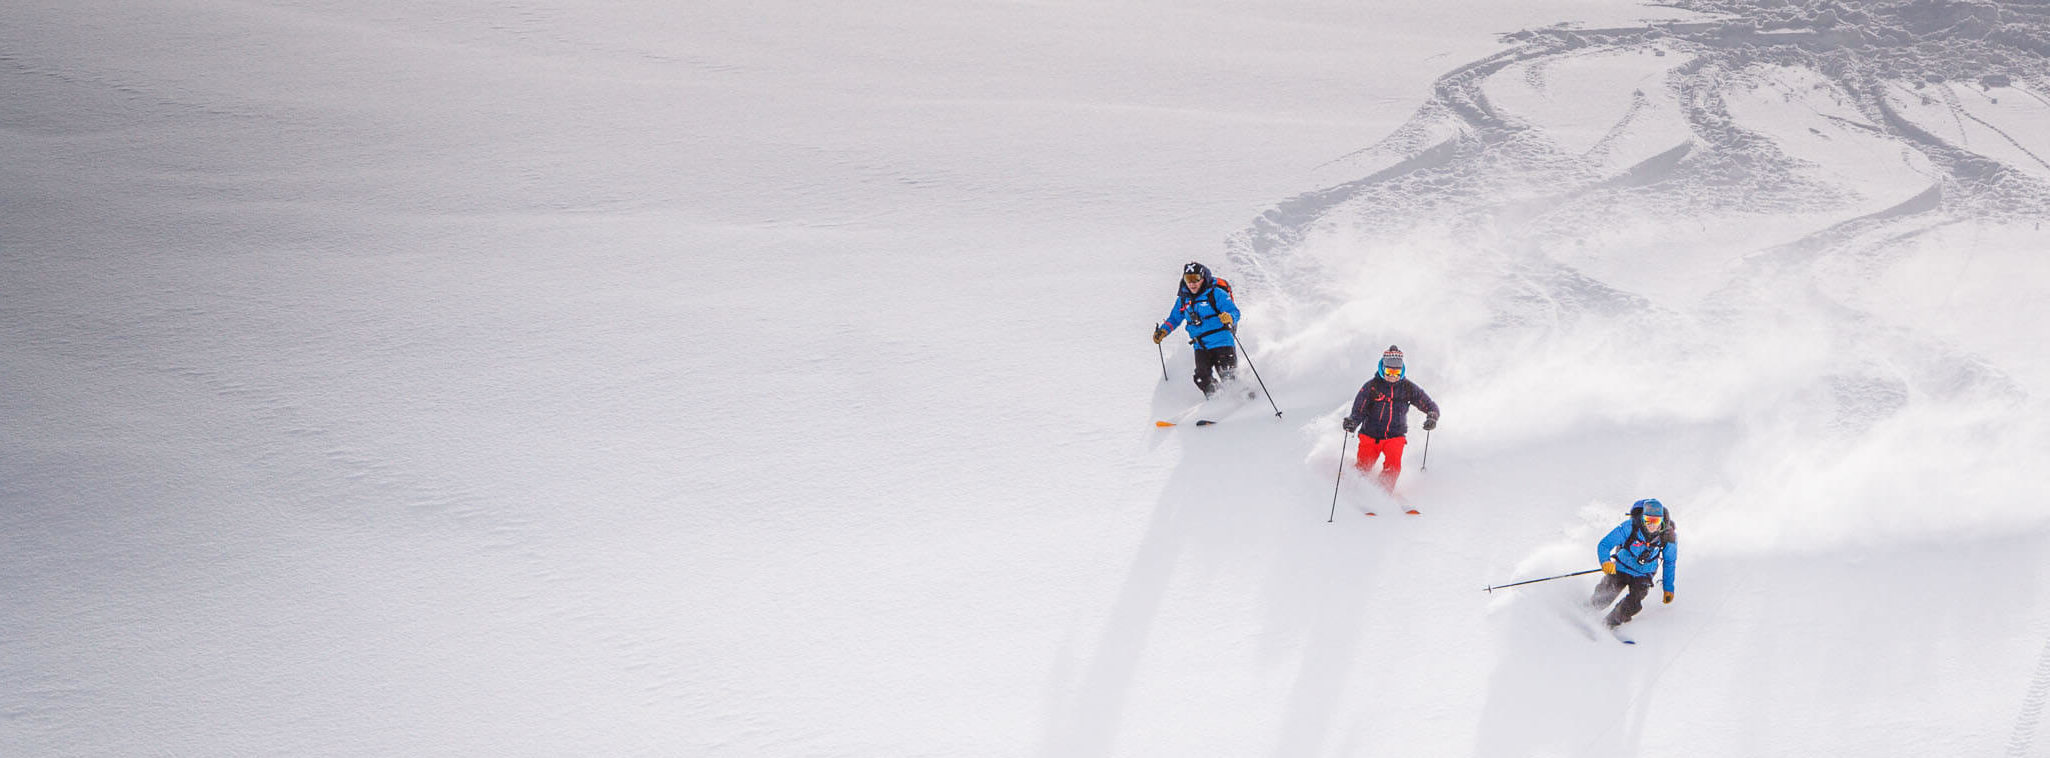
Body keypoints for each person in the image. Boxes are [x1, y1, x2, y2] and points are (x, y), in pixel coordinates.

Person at [1341, 346, 1440, 492]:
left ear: (1402, 371)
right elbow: (1359, 409)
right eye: (1389, 371)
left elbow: (1427, 403)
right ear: (1382, 368)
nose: (1392, 375)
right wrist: (1352, 422)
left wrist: (1432, 416)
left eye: (1396, 372)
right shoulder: (1372, 387)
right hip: (1370, 435)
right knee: (1364, 466)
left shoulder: (1407, 388)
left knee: (1393, 466)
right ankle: (1354, 488)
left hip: (1395, 436)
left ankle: (1382, 492)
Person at [1152, 262, 1242, 398]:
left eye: (1196, 279)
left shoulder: (1216, 293)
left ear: (1203, 278)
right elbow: (1174, 319)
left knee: (1229, 378)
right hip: (1200, 345)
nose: (1192, 283)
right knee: (1201, 377)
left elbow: (1234, 312)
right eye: (1189, 279)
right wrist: (1163, 331)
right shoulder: (1183, 300)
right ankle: (1218, 403)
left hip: (1222, 341)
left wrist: (1229, 317)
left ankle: (1245, 402)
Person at [1590, 498, 1679, 629]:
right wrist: (1605, 562)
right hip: (1621, 568)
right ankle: (1588, 611)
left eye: (1656, 521)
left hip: (1644, 574)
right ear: (1642, 518)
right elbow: (1604, 544)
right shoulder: (1630, 526)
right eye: (1648, 520)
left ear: (1661, 520)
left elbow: (1669, 562)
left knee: (1633, 604)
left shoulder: (1668, 537)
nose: (1651, 525)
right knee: (1605, 594)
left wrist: (1668, 588)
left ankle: (1607, 625)